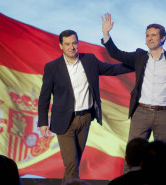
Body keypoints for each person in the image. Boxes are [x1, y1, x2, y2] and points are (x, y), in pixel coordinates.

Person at [38, 29, 133, 184]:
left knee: (73, 165)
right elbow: (44, 97)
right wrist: (42, 121)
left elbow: (113, 70)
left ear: (78, 43)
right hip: (64, 122)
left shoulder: (89, 60)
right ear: (61, 45)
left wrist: (138, 63)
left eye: (74, 43)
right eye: (67, 44)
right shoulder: (52, 67)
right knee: (71, 164)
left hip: (85, 119)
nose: (71, 47)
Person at [101, 13, 166, 166]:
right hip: (141, 112)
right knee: (133, 155)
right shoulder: (139, 56)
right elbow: (116, 53)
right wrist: (106, 34)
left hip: (164, 114)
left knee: (162, 158)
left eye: (153, 35)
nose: (149, 38)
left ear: (163, 38)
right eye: (147, 35)